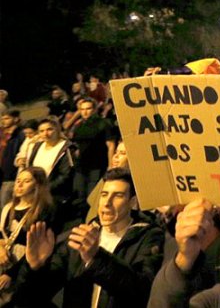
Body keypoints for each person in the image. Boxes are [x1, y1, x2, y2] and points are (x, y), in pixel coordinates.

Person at [13, 168, 164, 307]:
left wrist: (95, 258)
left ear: (132, 202)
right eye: (104, 195)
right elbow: (31, 299)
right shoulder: (79, 237)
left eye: (118, 196)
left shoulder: (149, 237)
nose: (107, 203)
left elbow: (142, 292)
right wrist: (33, 268)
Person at [0, 167, 55, 300]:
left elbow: (35, 249)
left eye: (26, 181)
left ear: (37, 185)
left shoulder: (42, 212)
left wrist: (11, 274)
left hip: (22, 264)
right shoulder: (8, 208)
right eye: (18, 180)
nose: (19, 184)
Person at [27, 118, 75, 226]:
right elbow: (30, 168)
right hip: (34, 192)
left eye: (49, 129)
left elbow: (65, 175)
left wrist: (45, 188)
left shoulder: (66, 148)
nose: (46, 133)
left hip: (54, 194)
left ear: (57, 130)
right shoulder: (37, 146)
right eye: (42, 131)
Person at [0, 110, 24, 210]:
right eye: (2, 119)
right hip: (2, 175)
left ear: (16, 119)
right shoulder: (4, 135)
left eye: (7, 118)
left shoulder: (21, 135)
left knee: (6, 206)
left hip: (11, 177)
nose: (3, 121)